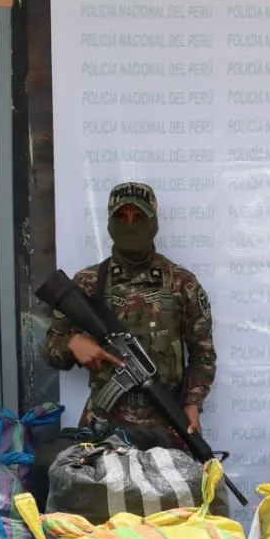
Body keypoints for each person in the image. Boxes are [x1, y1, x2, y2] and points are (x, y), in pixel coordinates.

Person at [43, 181, 216, 440]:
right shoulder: (89, 283)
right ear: (110, 223)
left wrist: (192, 403)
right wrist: (72, 344)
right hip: (103, 423)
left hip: (166, 421)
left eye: (139, 217)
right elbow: (50, 348)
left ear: (154, 222)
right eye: (121, 217)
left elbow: (203, 354)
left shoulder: (182, 284)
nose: (130, 224)